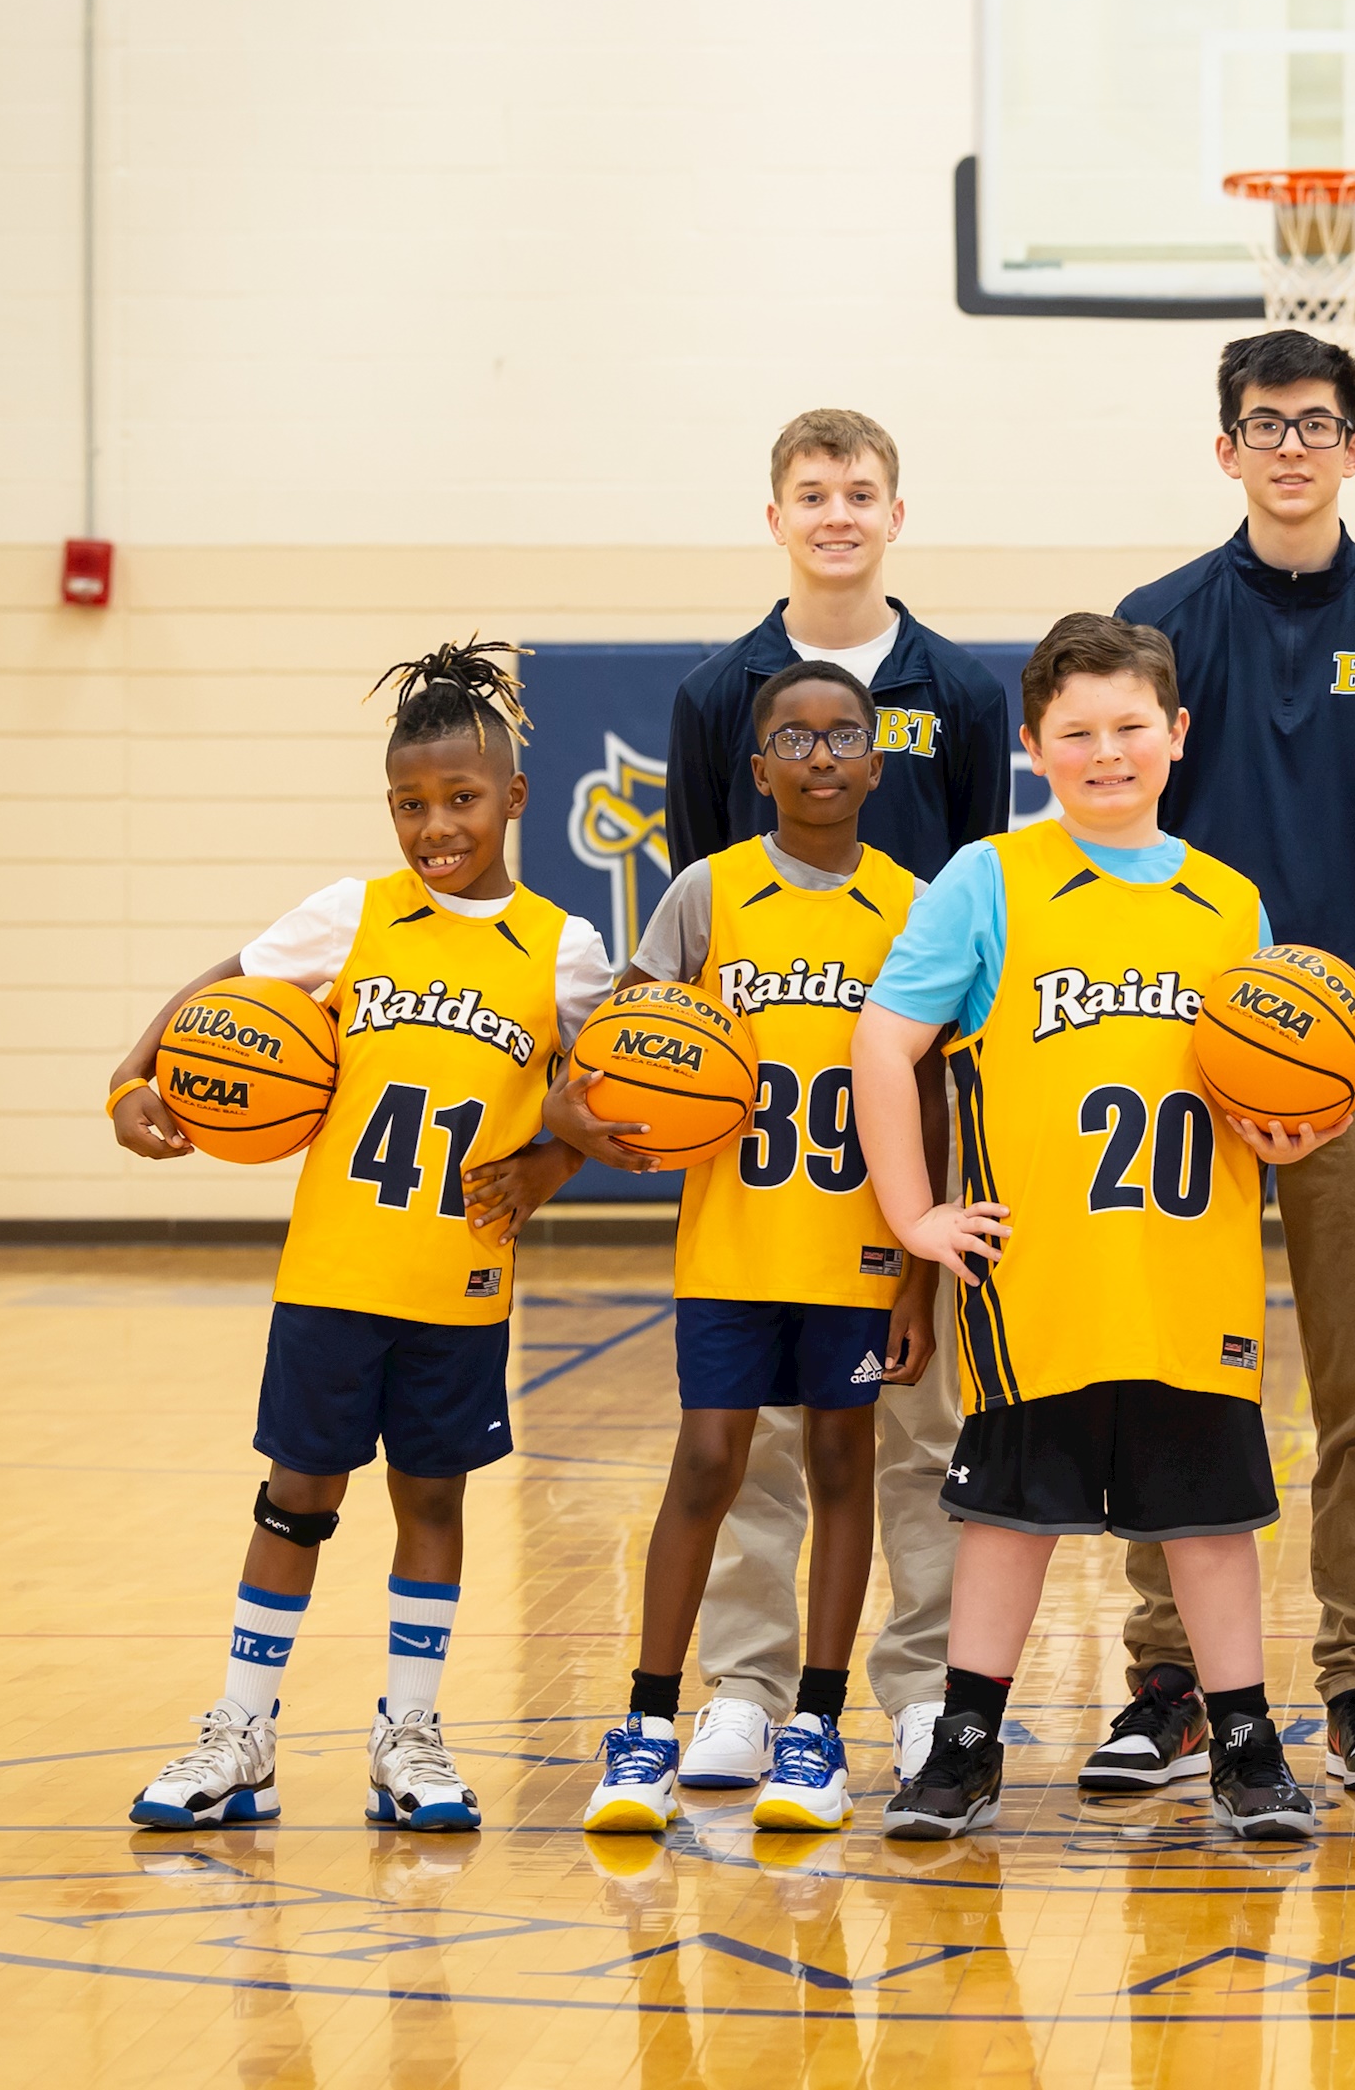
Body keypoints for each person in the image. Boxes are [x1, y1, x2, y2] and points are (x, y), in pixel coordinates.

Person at [847, 613, 1334, 1842]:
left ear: (1176, 735)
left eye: (1129, 728)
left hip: (1190, 1272)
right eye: (1077, 733)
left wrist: (1295, 1133)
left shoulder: (1230, 905)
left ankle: (1243, 1740)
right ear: (1033, 746)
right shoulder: (989, 879)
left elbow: (1272, 1084)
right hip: (1038, 1275)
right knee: (1007, 1514)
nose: (1105, 753)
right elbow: (882, 1042)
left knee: (1212, 1521)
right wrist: (910, 1210)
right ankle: (964, 1745)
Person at [111, 644, 611, 1833]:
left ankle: (412, 1736)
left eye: (460, 800)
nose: (435, 826)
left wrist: (542, 1170)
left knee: (430, 1503)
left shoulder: (562, 949)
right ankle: (241, 1733)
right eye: (410, 804)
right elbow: (218, 991)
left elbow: (606, 1094)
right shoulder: (351, 915)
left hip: (460, 1280)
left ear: (513, 800)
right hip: (336, 1268)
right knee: (295, 1495)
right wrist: (133, 1080)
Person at [1101, 331, 1355, 1800]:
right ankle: (1168, 1679)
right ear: (1227, 449)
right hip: (1181, 1070)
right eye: (1266, 424)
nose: (1293, 447)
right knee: (1170, 1375)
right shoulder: (1158, 621)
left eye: (1319, 424)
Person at [662, 409, 1008, 1793]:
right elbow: (705, 915)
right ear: (776, 519)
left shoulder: (964, 693)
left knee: (917, 1423)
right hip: (761, 1130)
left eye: (860, 492)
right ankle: (743, 1689)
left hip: (912, 1115)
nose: (838, 513)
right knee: (741, 1437)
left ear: (896, 513)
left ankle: (922, 1687)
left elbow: (981, 895)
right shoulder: (714, 692)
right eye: (813, 494)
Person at [563, 662, 947, 1835]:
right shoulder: (706, 894)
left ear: (879, 764)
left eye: (845, 737)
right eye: (795, 736)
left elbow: (932, 1097)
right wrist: (597, 1113)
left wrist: (921, 1272)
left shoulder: (913, 905)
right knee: (707, 1468)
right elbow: (623, 1041)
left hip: (857, 1251)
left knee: (844, 1474)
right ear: (758, 762)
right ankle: (646, 1724)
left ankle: (817, 1729)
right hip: (731, 1243)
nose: (821, 755)